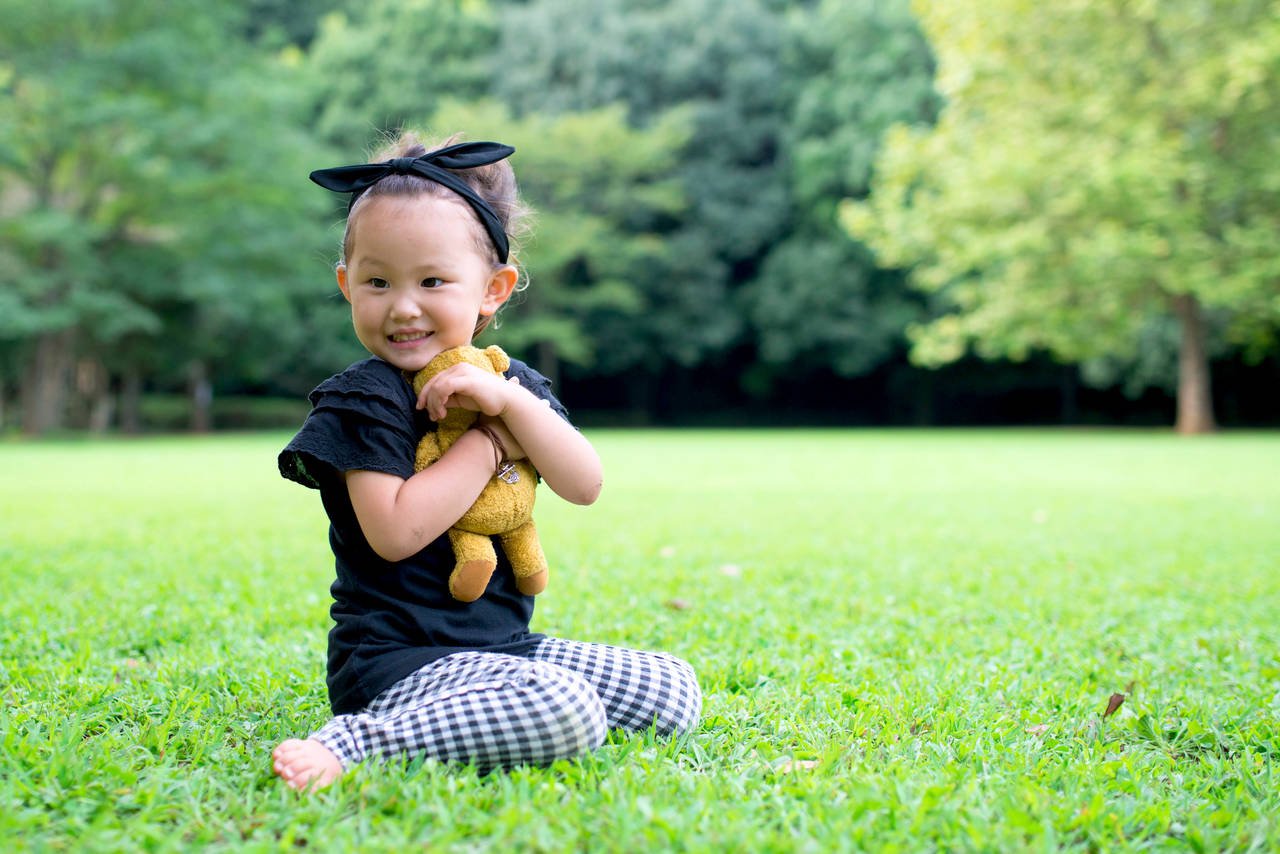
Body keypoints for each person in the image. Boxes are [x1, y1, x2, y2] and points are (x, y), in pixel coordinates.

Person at [271, 134, 701, 791]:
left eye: (433, 281)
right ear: (345, 284)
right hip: (396, 662)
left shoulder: (509, 382)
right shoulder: (365, 397)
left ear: (492, 290)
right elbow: (394, 533)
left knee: (673, 690)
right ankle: (361, 741)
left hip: (499, 648)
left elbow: (583, 484)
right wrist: (494, 442)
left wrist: (508, 403)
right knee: (565, 709)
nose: (404, 305)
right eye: (378, 281)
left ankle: (492, 711)